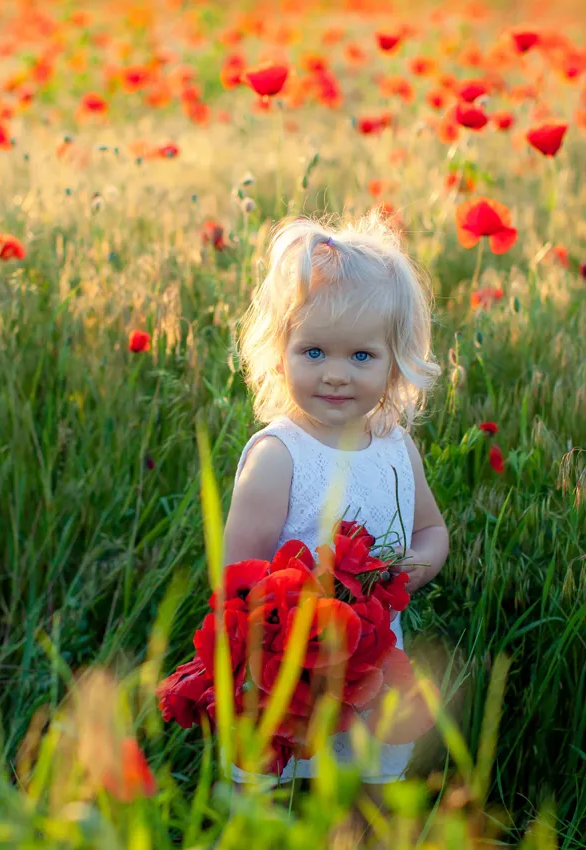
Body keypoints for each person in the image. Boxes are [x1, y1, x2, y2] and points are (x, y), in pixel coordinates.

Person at [223, 210, 449, 794]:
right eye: (315, 352)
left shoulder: (396, 447)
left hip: (370, 661)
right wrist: (297, 610)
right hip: (290, 669)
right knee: (286, 795)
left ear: (396, 360)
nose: (337, 376)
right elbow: (235, 578)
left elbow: (431, 532)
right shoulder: (279, 457)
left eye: (362, 357)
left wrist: (395, 580)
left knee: (362, 793)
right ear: (281, 352)